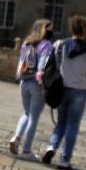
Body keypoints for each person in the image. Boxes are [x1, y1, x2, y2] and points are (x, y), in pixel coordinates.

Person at [40, 15, 86, 170]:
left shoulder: (59, 44)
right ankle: (65, 160)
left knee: (61, 122)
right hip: (80, 92)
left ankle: (51, 147)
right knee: (72, 125)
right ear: (85, 29)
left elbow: (48, 67)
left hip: (61, 89)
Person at [9, 19, 53, 158]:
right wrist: (42, 82)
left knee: (27, 113)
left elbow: (21, 62)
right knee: (34, 117)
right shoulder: (46, 45)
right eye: (49, 29)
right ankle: (27, 151)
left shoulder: (27, 42)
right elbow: (43, 65)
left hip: (24, 82)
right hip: (36, 84)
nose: (51, 31)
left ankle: (16, 137)